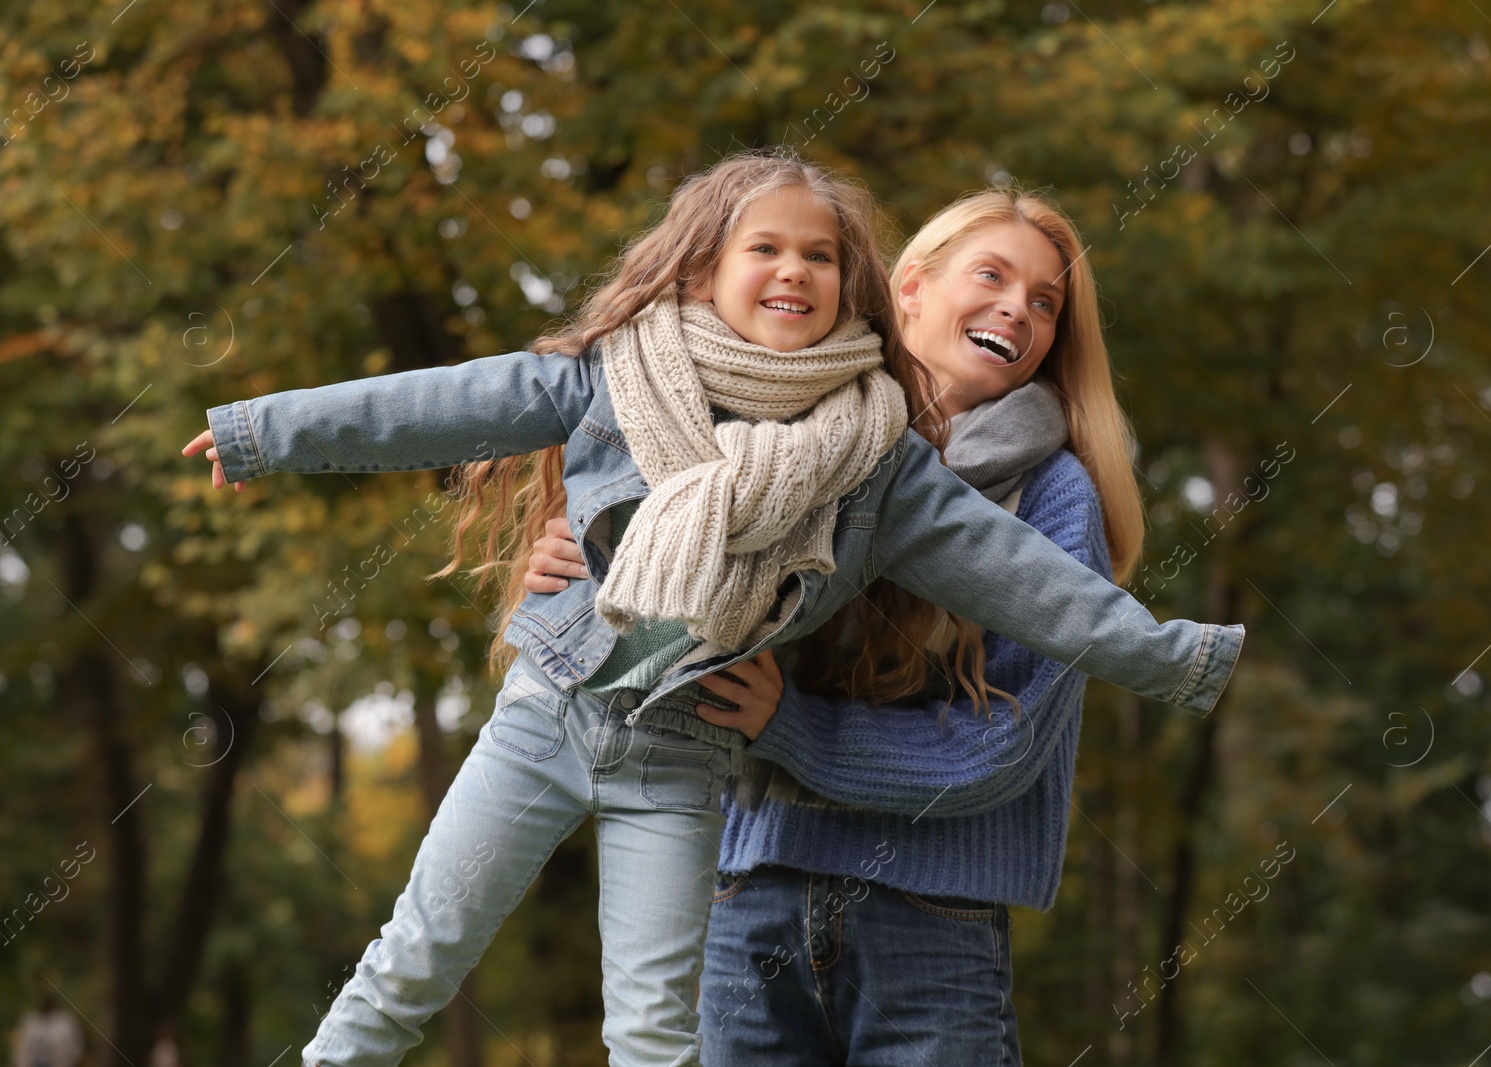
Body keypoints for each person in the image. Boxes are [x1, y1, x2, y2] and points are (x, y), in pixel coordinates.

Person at [183, 151, 1242, 1067]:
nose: (794, 270)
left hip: (703, 776)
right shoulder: (624, 375)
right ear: (705, 267)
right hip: (568, 727)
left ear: (856, 284)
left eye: (821, 257)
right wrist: (261, 432)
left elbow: (1029, 585)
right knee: (415, 953)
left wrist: (1168, 654)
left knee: (653, 1034)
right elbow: (448, 400)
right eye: (765, 250)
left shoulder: (880, 461)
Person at [523, 189, 1182, 1062]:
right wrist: (575, 571)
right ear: (909, 286)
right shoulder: (781, 435)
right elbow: (665, 616)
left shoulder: (1054, 497)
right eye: (992, 275)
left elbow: (1009, 742)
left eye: (1047, 303)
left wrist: (791, 725)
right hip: (748, 892)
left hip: (930, 919)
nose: (1019, 308)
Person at [10, 995, 84, 1067]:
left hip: (58, 1062)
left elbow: (75, 1045)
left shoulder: (66, 1022)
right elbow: (21, 1045)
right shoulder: (30, 1021)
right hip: (34, 1062)